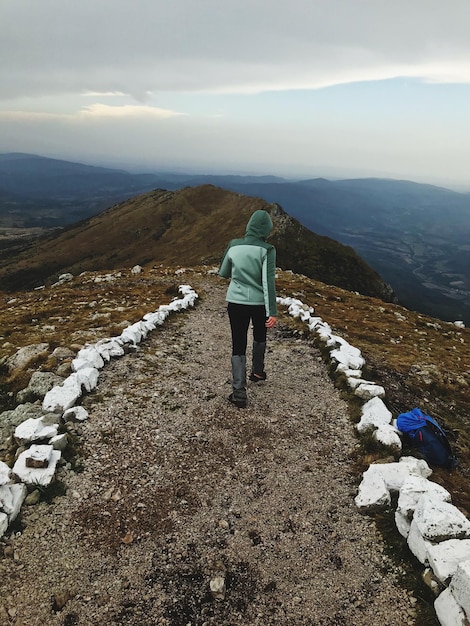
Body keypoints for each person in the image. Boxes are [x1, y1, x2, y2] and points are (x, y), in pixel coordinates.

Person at [218, 209, 277, 408]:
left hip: (236, 302)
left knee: (238, 342)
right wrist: (272, 311)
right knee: (260, 335)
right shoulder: (268, 249)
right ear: (266, 229)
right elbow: (268, 282)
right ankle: (258, 371)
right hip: (259, 303)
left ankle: (239, 392)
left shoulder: (234, 245)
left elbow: (223, 273)